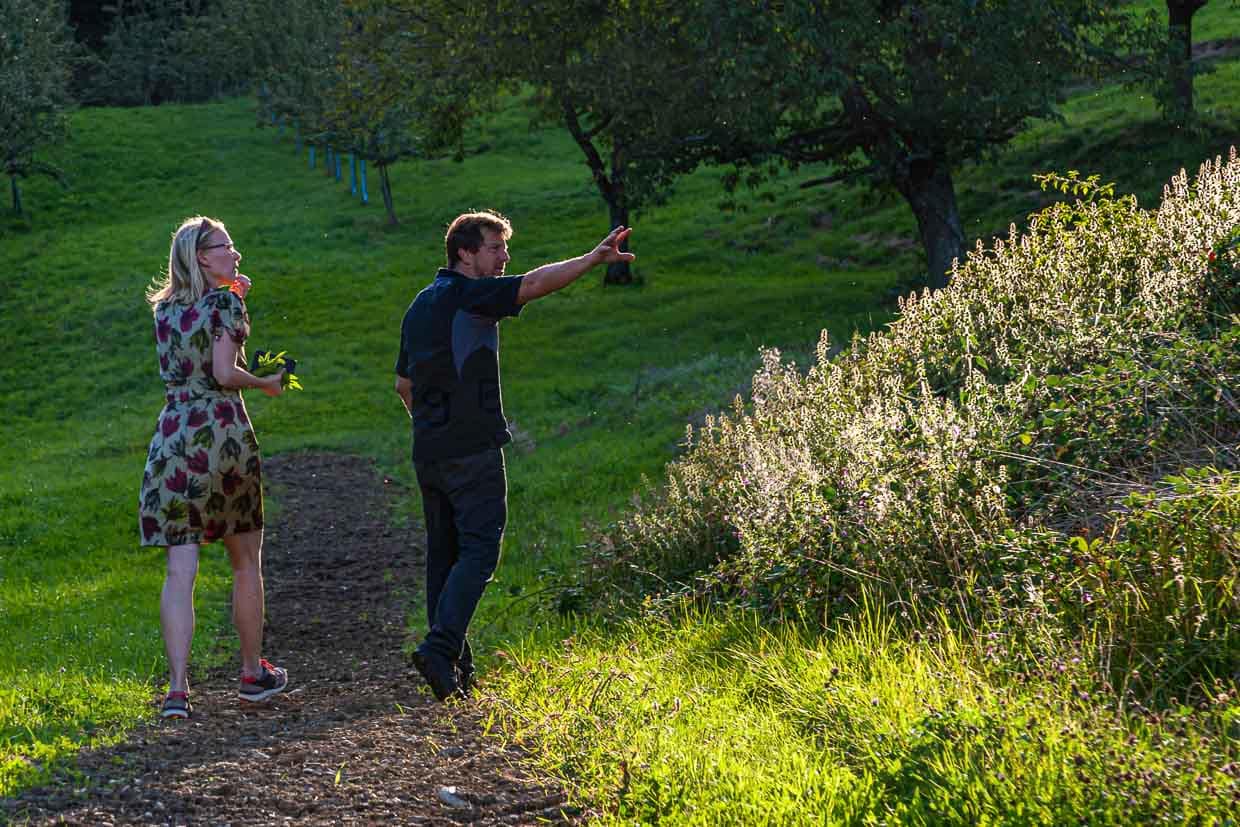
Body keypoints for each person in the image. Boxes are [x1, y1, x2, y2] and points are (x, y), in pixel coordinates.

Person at [395, 210, 634, 701]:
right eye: (494, 248)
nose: (504, 257)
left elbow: (403, 385)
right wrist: (592, 259)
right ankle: (441, 648)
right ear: (465, 253)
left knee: (446, 555)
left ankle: (456, 666)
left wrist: (433, 427)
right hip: (471, 448)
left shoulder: (419, 305)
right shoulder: (471, 294)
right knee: (480, 550)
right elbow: (534, 284)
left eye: (504, 248)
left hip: (429, 450)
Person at [138, 216, 290, 719]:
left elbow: (196, 342)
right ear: (203, 256)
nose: (237, 253)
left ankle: (177, 691)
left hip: (172, 439)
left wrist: (233, 295)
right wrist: (266, 383)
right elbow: (223, 373)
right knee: (245, 561)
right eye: (227, 246)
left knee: (180, 570)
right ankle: (251, 674)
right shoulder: (226, 303)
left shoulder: (164, 310)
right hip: (220, 437)